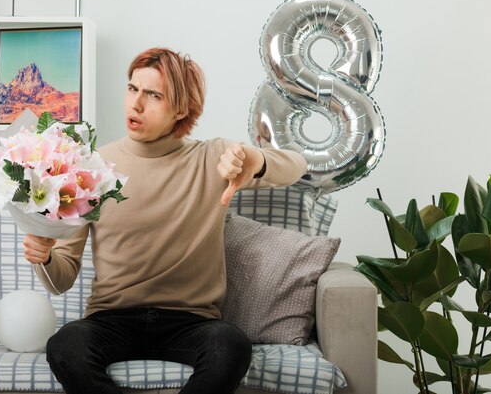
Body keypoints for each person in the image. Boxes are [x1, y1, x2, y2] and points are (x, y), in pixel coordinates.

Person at [22, 47, 308, 394]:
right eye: (132, 89)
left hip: (192, 322)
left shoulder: (213, 158)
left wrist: (254, 159)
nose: (136, 104)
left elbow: (296, 165)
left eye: (153, 95)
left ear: (181, 109)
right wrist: (46, 256)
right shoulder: (92, 167)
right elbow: (61, 279)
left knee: (230, 346)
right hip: (111, 319)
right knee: (66, 346)